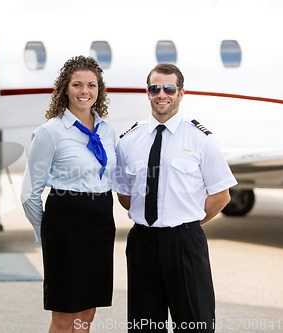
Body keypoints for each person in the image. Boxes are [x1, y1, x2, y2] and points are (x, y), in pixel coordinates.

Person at [114, 63, 238, 332]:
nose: (162, 94)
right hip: (142, 244)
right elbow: (125, 195)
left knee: (194, 324)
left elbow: (221, 195)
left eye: (169, 88)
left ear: (180, 93)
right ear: (147, 93)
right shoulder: (128, 140)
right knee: (144, 326)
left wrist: (186, 220)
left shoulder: (200, 139)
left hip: (185, 243)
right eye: (154, 88)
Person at [21, 55, 117, 333]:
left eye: (91, 85)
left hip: (100, 225)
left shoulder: (108, 131)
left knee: (86, 313)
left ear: (99, 91)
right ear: (65, 89)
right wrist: (48, 233)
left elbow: (119, 175)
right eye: (77, 85)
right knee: (64, 317)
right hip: (65, 228)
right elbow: (29, 193)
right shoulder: (51, 132)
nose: (84, 91)